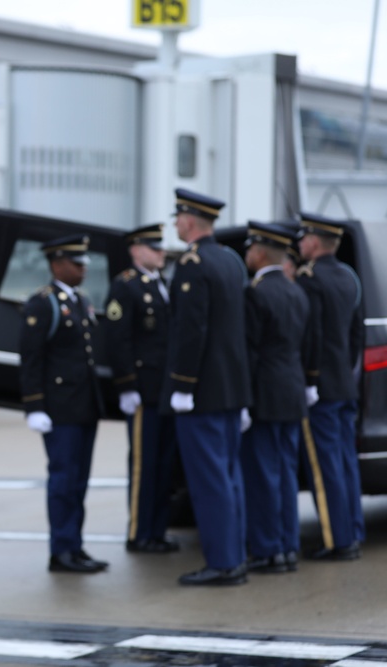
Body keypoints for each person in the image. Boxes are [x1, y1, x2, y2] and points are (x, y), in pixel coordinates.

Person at [165, 188, 253, 586]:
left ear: (189, 221)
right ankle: (234, 556)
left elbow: (190, 332)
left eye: (178, 217)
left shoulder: (193, 264)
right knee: (229, 476)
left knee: (209, 480)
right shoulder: (231, 261)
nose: (175, 224)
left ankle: (222, 562)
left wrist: (182, 385)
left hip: (201, 393)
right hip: (231, 390)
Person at [19, 234, 107, 574]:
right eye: (76, 263)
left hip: (84, 406)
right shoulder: (43, 303)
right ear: (57, 264)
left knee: (80, 482)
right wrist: (35, 406)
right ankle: (61, 550)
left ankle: (75, 545)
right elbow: (31, 358)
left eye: (84, 263)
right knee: (63, 480)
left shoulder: (82, 300)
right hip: (59, 408)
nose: (83, 269)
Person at [240, 221, 312, 574]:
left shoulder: (256, 293)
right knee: (284, 472)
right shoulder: (296, 292)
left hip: (265, 393)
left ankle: (268, 549)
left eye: (250, 249)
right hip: (292, 390)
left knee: (263, 473)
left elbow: (250, 352)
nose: (247, 255)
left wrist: (243, 399)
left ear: (260, 252)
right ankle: (287, 546)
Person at [104, 223, 180, 554]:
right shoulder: (126, 286)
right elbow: (117, 339)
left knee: (164, 465)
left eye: (161, 247)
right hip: (142, 390)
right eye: (154, 247)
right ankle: (139, 532)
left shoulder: (161, 284)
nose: (161, 252)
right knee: (143, 464)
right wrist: (125, 386)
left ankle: (158, 530)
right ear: (136, 250)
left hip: (163, 390)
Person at [295, 212, 365, 561]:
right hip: (343, 383)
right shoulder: (349, 277)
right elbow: (356, 337)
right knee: (345, 460)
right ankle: (352, 531)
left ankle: (335, 539)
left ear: (314, 242)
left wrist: (309, 380)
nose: (298, 243)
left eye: (302, 237)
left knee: (326, 466)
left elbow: (312, 336)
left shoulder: (310, 279)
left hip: (319, 386)